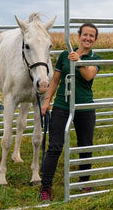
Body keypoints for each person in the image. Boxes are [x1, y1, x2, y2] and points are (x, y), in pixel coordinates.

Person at [39, 23, 101, 201]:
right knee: (55, 146)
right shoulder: (65, 55)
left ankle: (84, 182)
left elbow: (89, 75)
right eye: (85, 35)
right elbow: (55, 80)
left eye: (92, 36)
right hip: (62, 105)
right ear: (79, 36)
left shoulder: (95, 58)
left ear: (95, 40)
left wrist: (78, 62)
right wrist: (47, 101)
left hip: (84, 107)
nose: (88, 38)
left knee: (85, 145)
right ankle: (46, 187)